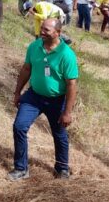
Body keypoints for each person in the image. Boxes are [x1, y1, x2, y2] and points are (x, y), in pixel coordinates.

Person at [9, 18, 78, 181]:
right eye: (42, 28)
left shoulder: (66, 55)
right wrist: (17, 92)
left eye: (46, 30)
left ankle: (62, 168)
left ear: (57, 33)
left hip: (57, 100)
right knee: (19, 126)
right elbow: (26, 69)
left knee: (59, 133)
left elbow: (71, 85)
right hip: (34, 96)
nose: (42, 32)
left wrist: (67, 112)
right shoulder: (34, 46)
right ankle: (21, 168)